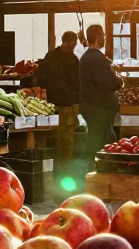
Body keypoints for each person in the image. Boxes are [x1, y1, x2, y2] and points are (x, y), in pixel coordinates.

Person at [37, 31, 81, 171]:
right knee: (66, 138)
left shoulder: (50, 55)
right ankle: (65, 167)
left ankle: (51, 165)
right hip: (67, 103)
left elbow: (41, 76)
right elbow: (76, 82)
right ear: (72, 42)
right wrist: (75, 97)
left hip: (50, 104)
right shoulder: (73, 59)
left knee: (51, 135)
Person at [80, 24, 122, 163]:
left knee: (101, 138)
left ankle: (96, 166)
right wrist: (118, 80)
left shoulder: (85, 57)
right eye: (103, 35)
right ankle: (97, 168)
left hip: (90, 105)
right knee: (100, 141)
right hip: (100, 108)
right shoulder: (98, 59)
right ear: (97, 37)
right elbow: (105, 84)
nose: (104, 38)